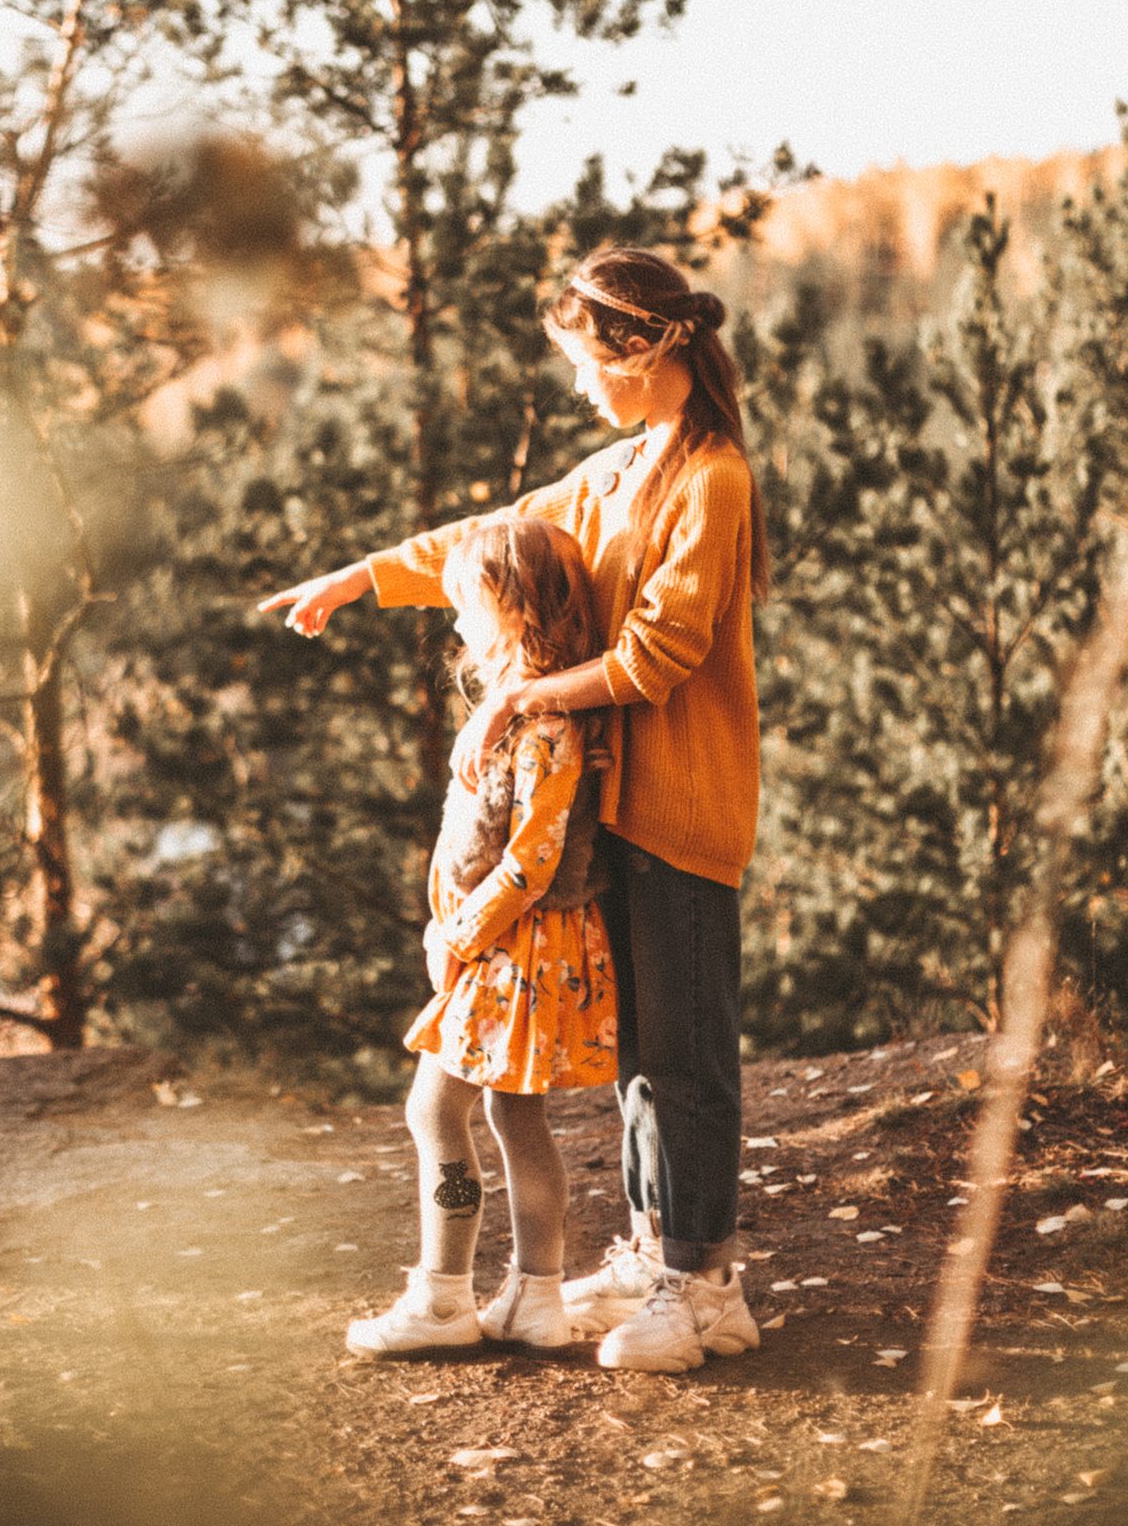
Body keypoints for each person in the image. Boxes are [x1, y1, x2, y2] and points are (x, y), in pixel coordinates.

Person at [260, 246, 768, 1374]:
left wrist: (520, 696)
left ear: (640, 348)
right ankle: (652, 1250)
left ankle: (707, 1285)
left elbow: (657, 656)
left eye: (588, 360)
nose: (581, 384)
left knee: (685, 1054)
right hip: (610, 811)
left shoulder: (713, 479)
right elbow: (491, 538)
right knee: (642, 1052)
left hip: (680, 809)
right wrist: (360, 576)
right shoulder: (618, 467)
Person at [339, 515, 618, 1360]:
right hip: (513, 950)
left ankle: (442, 1298)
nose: (457, 623)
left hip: (516, 953)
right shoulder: (523, 718)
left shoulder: (547, 728)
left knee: (436, 1107)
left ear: (514, 611)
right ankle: (535, 1299)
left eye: (468, 606)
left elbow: (531, 863)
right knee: (513, 1115)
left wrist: (457, 935)